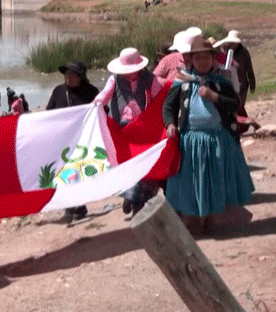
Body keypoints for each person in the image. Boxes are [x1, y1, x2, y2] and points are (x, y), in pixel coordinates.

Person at [163, 35, 255, 236]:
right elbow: (168, 106)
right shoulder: (182, 80)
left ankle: (213, 218)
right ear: (190, 59)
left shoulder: (222, 80)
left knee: (214, 180)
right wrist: (170, 123)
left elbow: (235, 105)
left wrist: (215, 97)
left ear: (213, 58)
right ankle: (195, 219)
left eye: (206, 58)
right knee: (192, 182)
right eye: (198, 58)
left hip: (216, 139)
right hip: (190, 141)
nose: (202, 62)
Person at [96, 47, 166, 216]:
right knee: (126, 168)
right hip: (123, 133)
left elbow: (159, 101)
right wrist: (95, 104)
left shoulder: (152, 80)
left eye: (132, 71)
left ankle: (137, 203)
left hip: (145, 134)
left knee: (145, 170)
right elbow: (103, 96)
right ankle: (130, 197)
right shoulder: (114, 80)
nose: (129, 74)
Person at [46, 60, 101, 222]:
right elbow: (49, 113)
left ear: (81, 77)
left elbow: (102, 111)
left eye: (72, 75)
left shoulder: (91, 92)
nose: (68, 78)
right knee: (64, 173)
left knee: (80, 173)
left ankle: (80, 206)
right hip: (62, 140)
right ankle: (69, 206)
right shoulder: (58, 91)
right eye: (66, 75)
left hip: (83, 140)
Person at [212, 30, 256, 110]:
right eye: (231, 42)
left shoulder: (244, 52)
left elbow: (249, 68)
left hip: (242, 84)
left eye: (234, 42)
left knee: (240, 106)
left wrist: (252, 84)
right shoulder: (223, 50)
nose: (233, 44)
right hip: (227, 83)